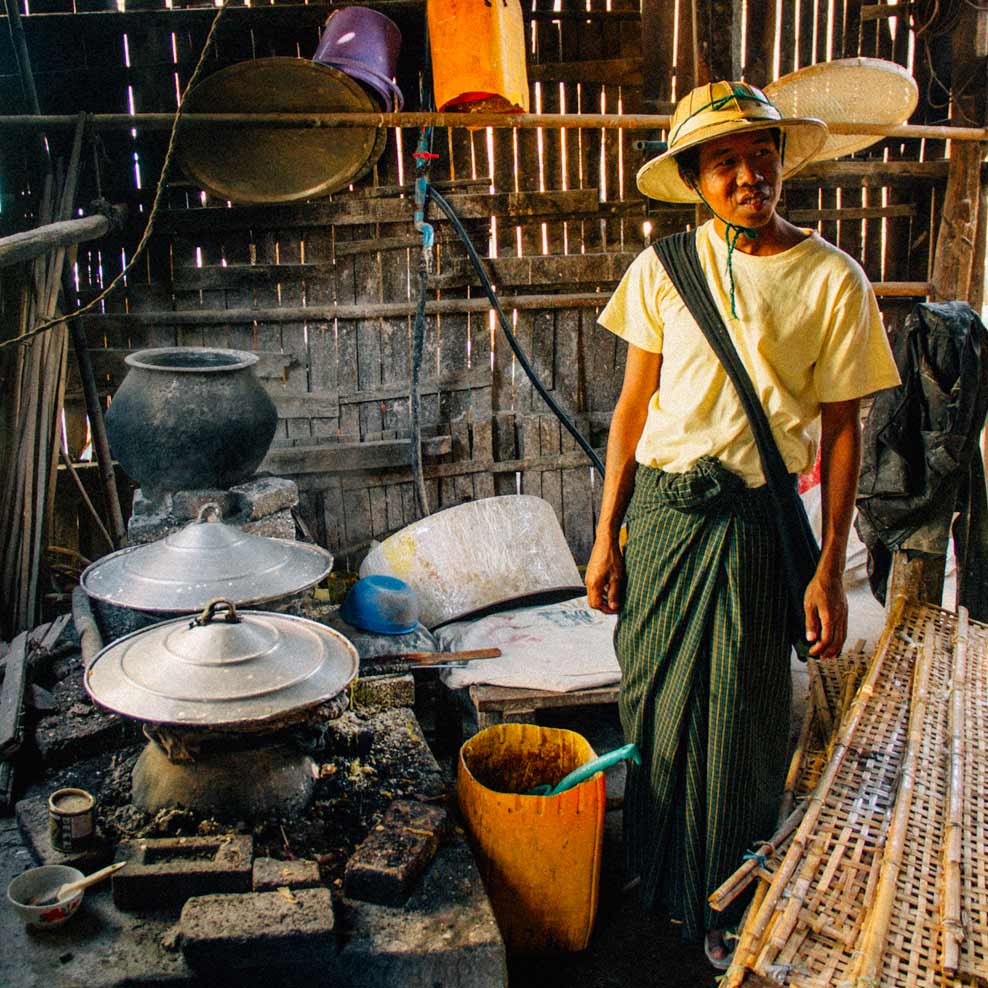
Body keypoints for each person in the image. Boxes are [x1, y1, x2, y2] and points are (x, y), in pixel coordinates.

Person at [584, 81, 901, 969]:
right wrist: (607, 533)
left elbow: (843, 434)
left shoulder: (834, 279)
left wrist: (829, 567)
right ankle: (655, 874)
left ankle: (724, 902)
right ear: (694, 179)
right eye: (723, 160)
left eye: (760, 153)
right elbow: (632, 409)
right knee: (651, 701)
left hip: (756, 523)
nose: (747, 173)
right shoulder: (662, 269)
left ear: (781, 162)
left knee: (742, 716)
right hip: (662, 519)